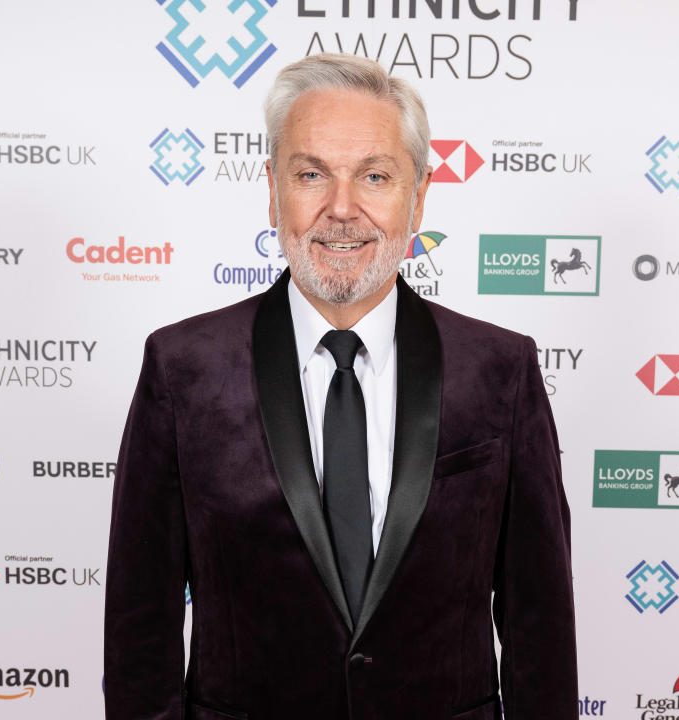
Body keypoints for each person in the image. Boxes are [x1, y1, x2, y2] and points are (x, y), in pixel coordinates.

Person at [104, 53, 576, 720]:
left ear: (418, 196)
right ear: (272, 189)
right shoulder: (182, 369)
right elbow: (139, 630)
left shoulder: (501, 369)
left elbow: (541, 627)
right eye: (310, 174)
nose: (342, 209)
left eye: (375, 176)